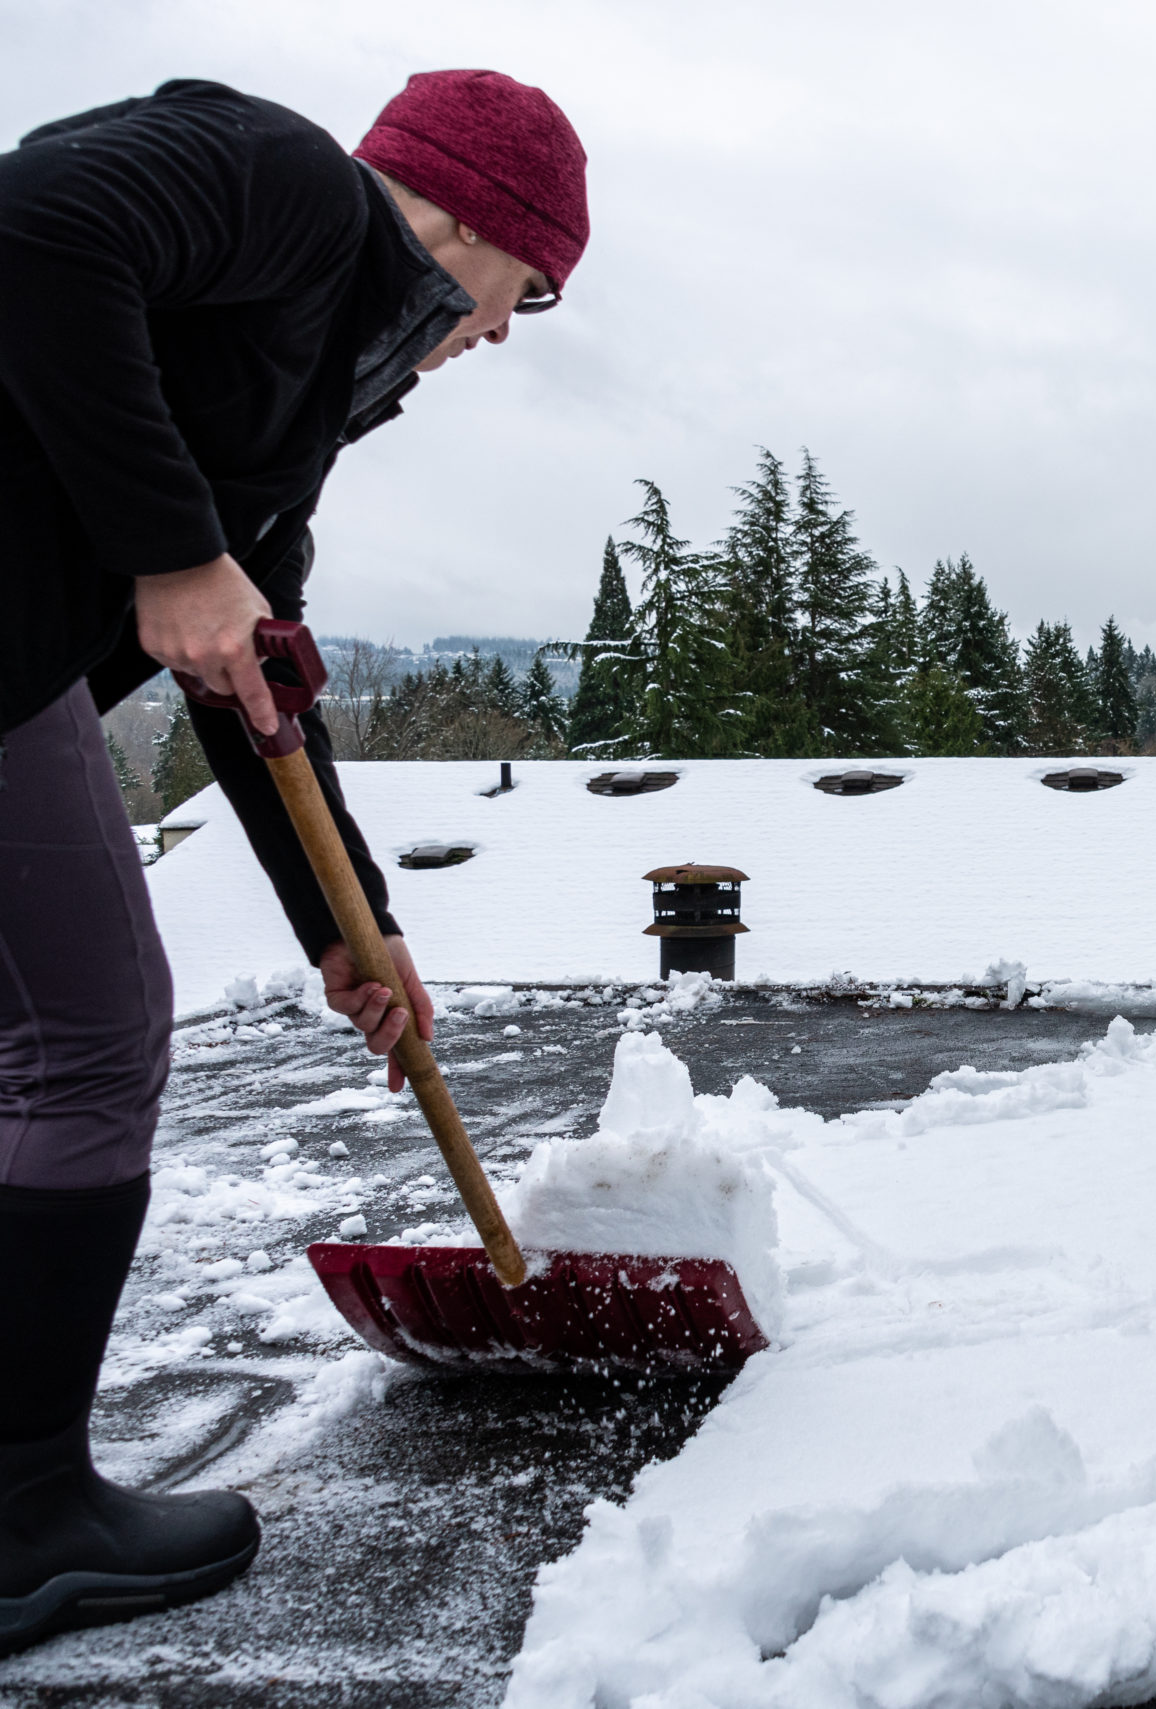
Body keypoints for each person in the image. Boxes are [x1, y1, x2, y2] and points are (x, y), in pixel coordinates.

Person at [0, 69, 587, 1655]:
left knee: (42, 1048)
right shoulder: (276, 177)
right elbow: (33, 225)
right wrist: (173, 546)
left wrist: (356, 929)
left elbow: (251, 676)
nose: (511, 333)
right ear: (464, 213)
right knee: (86, 1039)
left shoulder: (308, 389)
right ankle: (21, 1513)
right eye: (525, 289)